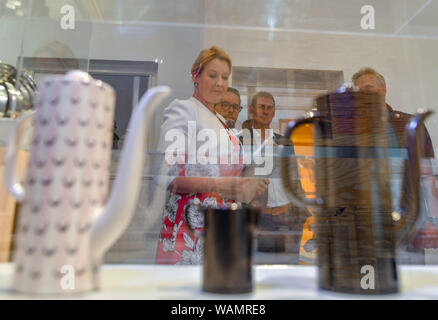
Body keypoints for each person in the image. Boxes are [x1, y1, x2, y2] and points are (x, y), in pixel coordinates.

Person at [154, 46, 269, 265]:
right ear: (195, 75)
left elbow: (224, 177)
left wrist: (246, 185)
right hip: (190, 223)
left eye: (225, 77)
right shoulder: (183, 109)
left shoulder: (221, 121)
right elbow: (167, 175)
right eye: (212, 75)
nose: (220, 83)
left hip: (220, 222)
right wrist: (219, 185)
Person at [352, 67, 438, 260]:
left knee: (411, 277)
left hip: (408, 218)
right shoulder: (350, 132)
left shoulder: (410, 125)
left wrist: (432, 220)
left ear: (383, 90)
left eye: (368, 88)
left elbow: (428, 176)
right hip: (366, 222)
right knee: (371, 280)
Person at [241, 91, 309, 258]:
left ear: (274, 111)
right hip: (259, 219)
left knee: (289, 272)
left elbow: (294, 178)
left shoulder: (285, 141)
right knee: (260, 272)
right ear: (251, 109)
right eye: (261, 107)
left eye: (270, 108)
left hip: (289, 218)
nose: (265, 111)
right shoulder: (240, 141)